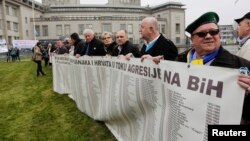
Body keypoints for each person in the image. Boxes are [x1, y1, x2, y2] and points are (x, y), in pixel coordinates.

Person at [148, 12, 250, 124]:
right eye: (202, 34)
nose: (209, 36)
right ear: (192, 39)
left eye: (213, 32)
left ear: (219, 35)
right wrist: (150, 65)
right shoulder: (178, 62)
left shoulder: (242, 66)